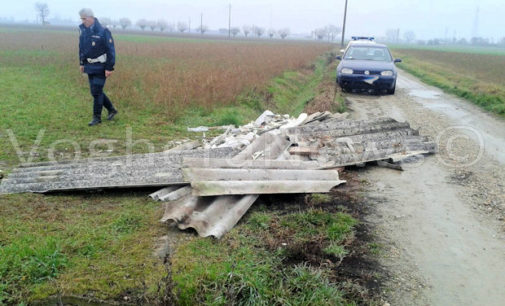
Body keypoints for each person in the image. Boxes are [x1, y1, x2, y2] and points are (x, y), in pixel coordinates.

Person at [78, 8, 118, 126]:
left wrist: (109, 68)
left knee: (96, 91)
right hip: (89, 65)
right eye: (82, 19)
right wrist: (81, 63)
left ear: (91, 17)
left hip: (101, 66)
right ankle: (111, 109)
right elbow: (81, 48)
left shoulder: (103, 31)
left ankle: (97, 117)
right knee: (95, 91)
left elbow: (111, 51)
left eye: (84, 19)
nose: (83, 21)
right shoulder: (83, 31)